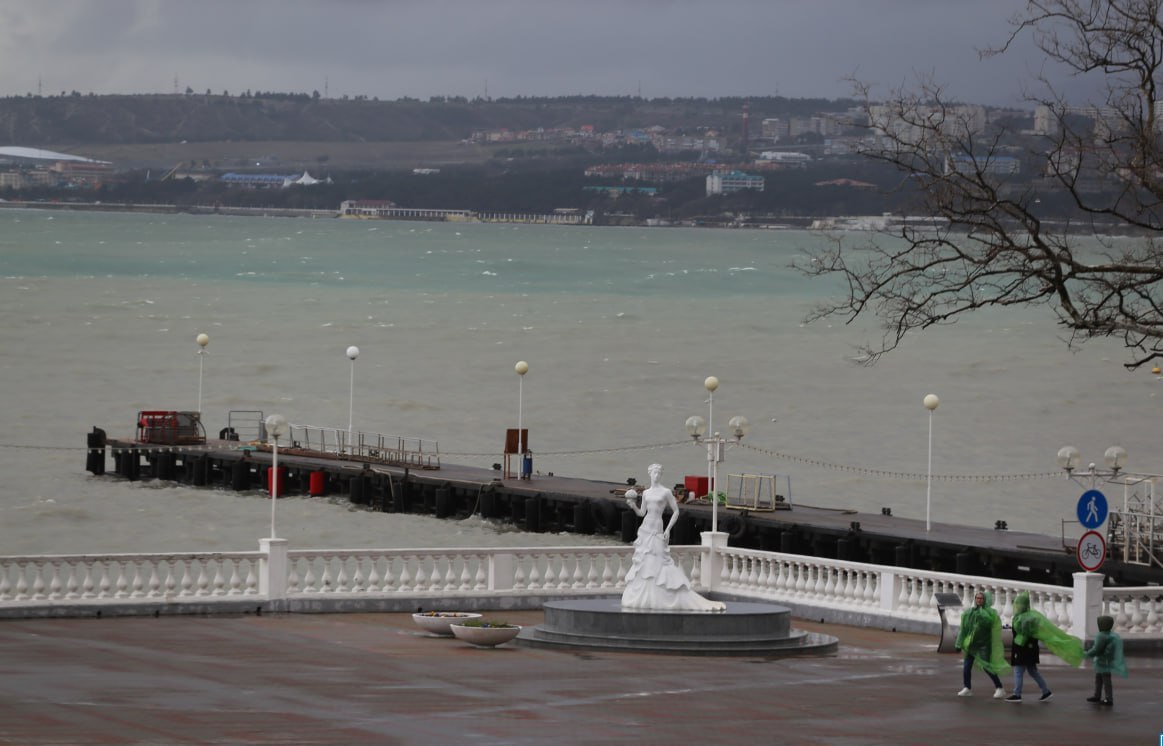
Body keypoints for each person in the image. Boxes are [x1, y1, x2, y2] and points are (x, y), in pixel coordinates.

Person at [620, 463, 725, 612]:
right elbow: (642, 513)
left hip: (658, 527)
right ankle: (646, 596)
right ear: (650, 474)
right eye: (654, 473)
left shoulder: (666, 492)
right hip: (646, 527)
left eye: (659, 473)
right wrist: (633, 506)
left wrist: (668, 529)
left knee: (659, 559)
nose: (656, 475)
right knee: (645, 561)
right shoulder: (646, 493)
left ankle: (661, 594)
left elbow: (676, 511)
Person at [1003, 591, 1084, 703]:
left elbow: (1022, 635)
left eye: (1017, 604)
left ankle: (1017, 694)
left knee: (1018, 671)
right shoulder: (1032, 616)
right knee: (1033, 672)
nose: (1016, 606)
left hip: (1022, 650)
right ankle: (1046, 691)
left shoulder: (1022, 618)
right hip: (1031, 649)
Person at [954, 590, 1010, 698]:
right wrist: (958, 644)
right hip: (971, 645)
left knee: (986, 667)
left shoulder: (990, 612)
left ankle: (999, 687)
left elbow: (990, 624)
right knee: (966, 667)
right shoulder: (969, 612)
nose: (978, 600)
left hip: (984, 645)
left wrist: (981, 615)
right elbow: (963, 629)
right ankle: (967, 687)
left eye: (981, 598)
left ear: (985, 600)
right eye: (977, 598)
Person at [1084, 615, 1128, 706]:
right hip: (1107, 660)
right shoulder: (1112, 635)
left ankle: (1108, 698)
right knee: (1101, 679)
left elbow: (1096, 649)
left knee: (1104, 680)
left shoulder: (1101, 636)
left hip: (1102, 661)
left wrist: (1087, 654)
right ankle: (1098, 695)